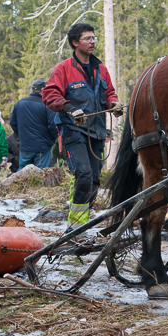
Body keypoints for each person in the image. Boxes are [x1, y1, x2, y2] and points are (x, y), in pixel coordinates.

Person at [43, 23, 123, 231]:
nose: (93, 41)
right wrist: (69, 108)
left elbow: (110, 94)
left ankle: (81, 219)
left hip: (96, 133)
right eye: (87, 38)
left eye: (94, 37)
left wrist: (113, 104)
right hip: (73, 132)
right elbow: (50, 95)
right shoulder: (63, 69)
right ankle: (75, 228)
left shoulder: (101, 69)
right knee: (84, 174)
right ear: (75, 43)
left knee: (94, 181)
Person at [10, 79, 58, 170]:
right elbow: (53, 125)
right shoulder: (47, 105)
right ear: (43, 90)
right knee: (40, 174)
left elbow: (13, 123)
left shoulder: (20, 103)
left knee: (22, 174)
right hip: (42, 146)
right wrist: (52, 139)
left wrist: (20, 137)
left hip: (25, 145)